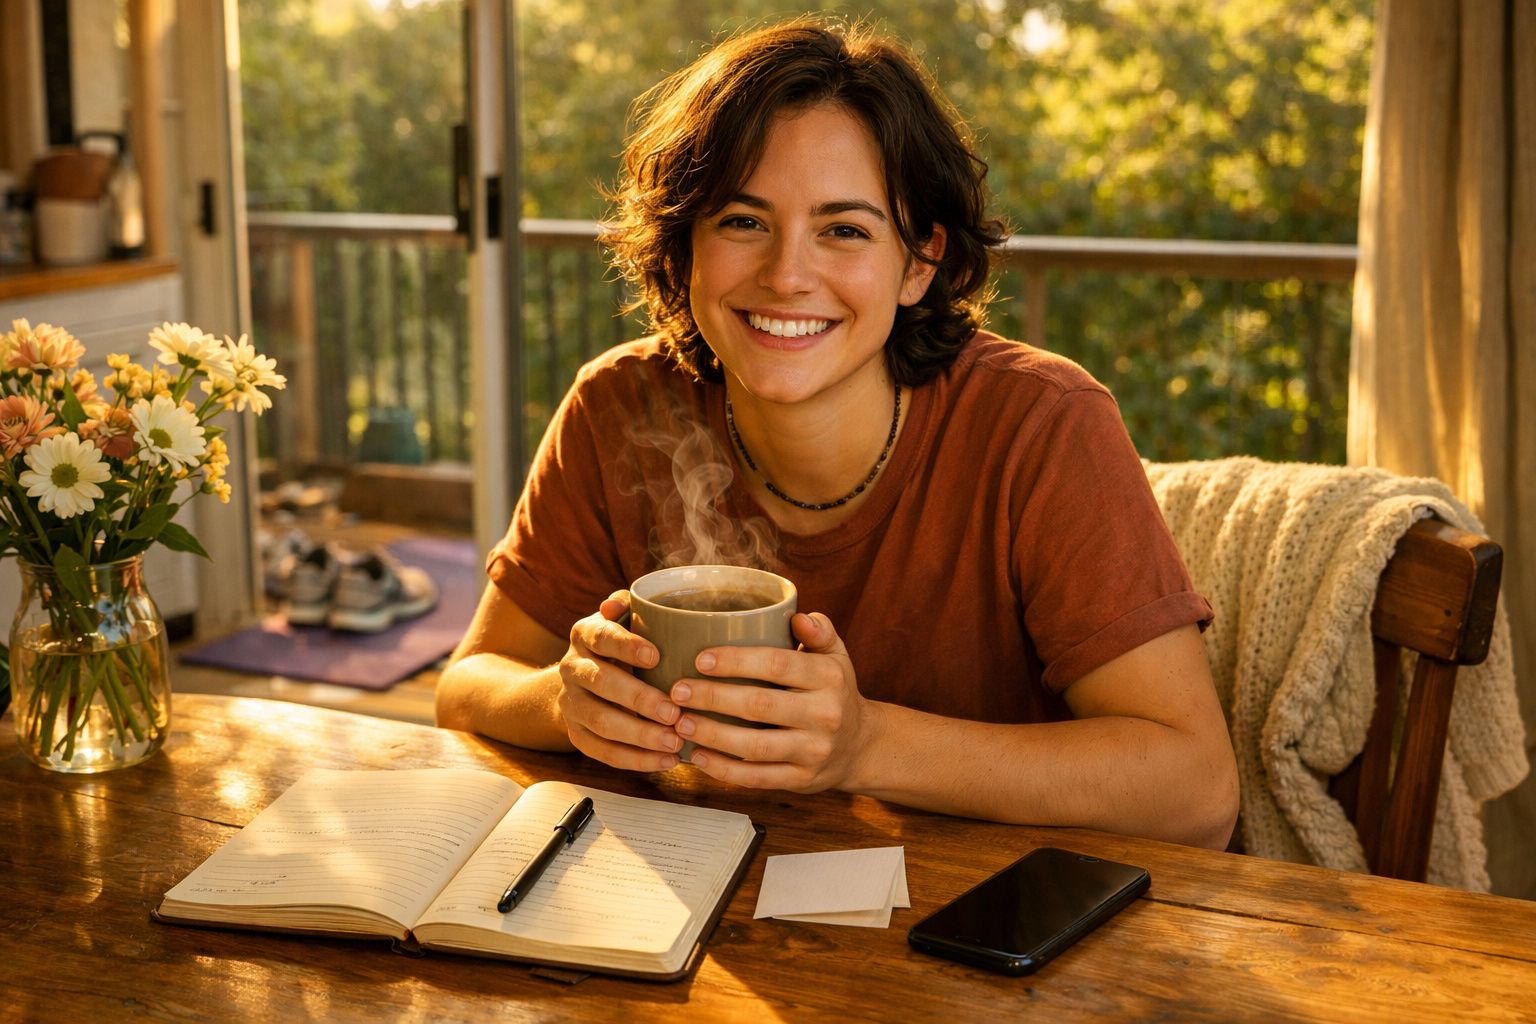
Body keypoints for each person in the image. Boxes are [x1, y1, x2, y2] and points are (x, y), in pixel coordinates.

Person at [437, 17, 1239, 850]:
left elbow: (1196, 791)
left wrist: (863, 745)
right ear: (687, 248)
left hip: (996, 937)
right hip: (704, 917)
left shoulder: (1042, 424)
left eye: (844, 230)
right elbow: (468, 685)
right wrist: (567, 704)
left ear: (920, 260)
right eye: (743, 221)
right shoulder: (619, 406)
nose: (787, 275)